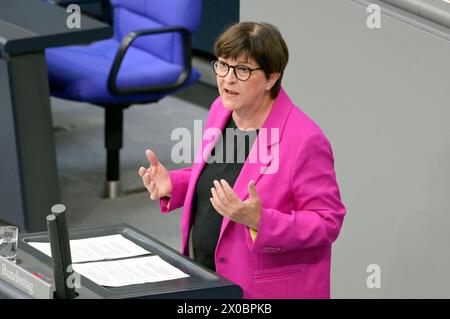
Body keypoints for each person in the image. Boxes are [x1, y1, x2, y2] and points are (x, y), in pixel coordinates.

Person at [138, 22, 346, 299]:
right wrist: (174, 184)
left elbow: (327, 223)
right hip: (204, 275)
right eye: (223, 65)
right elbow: (222, 175)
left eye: (243, 70)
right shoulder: (221, 110)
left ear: (272, 78)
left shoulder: (304, 140)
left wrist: (261, 221)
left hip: (260, 291)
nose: (227, 79)